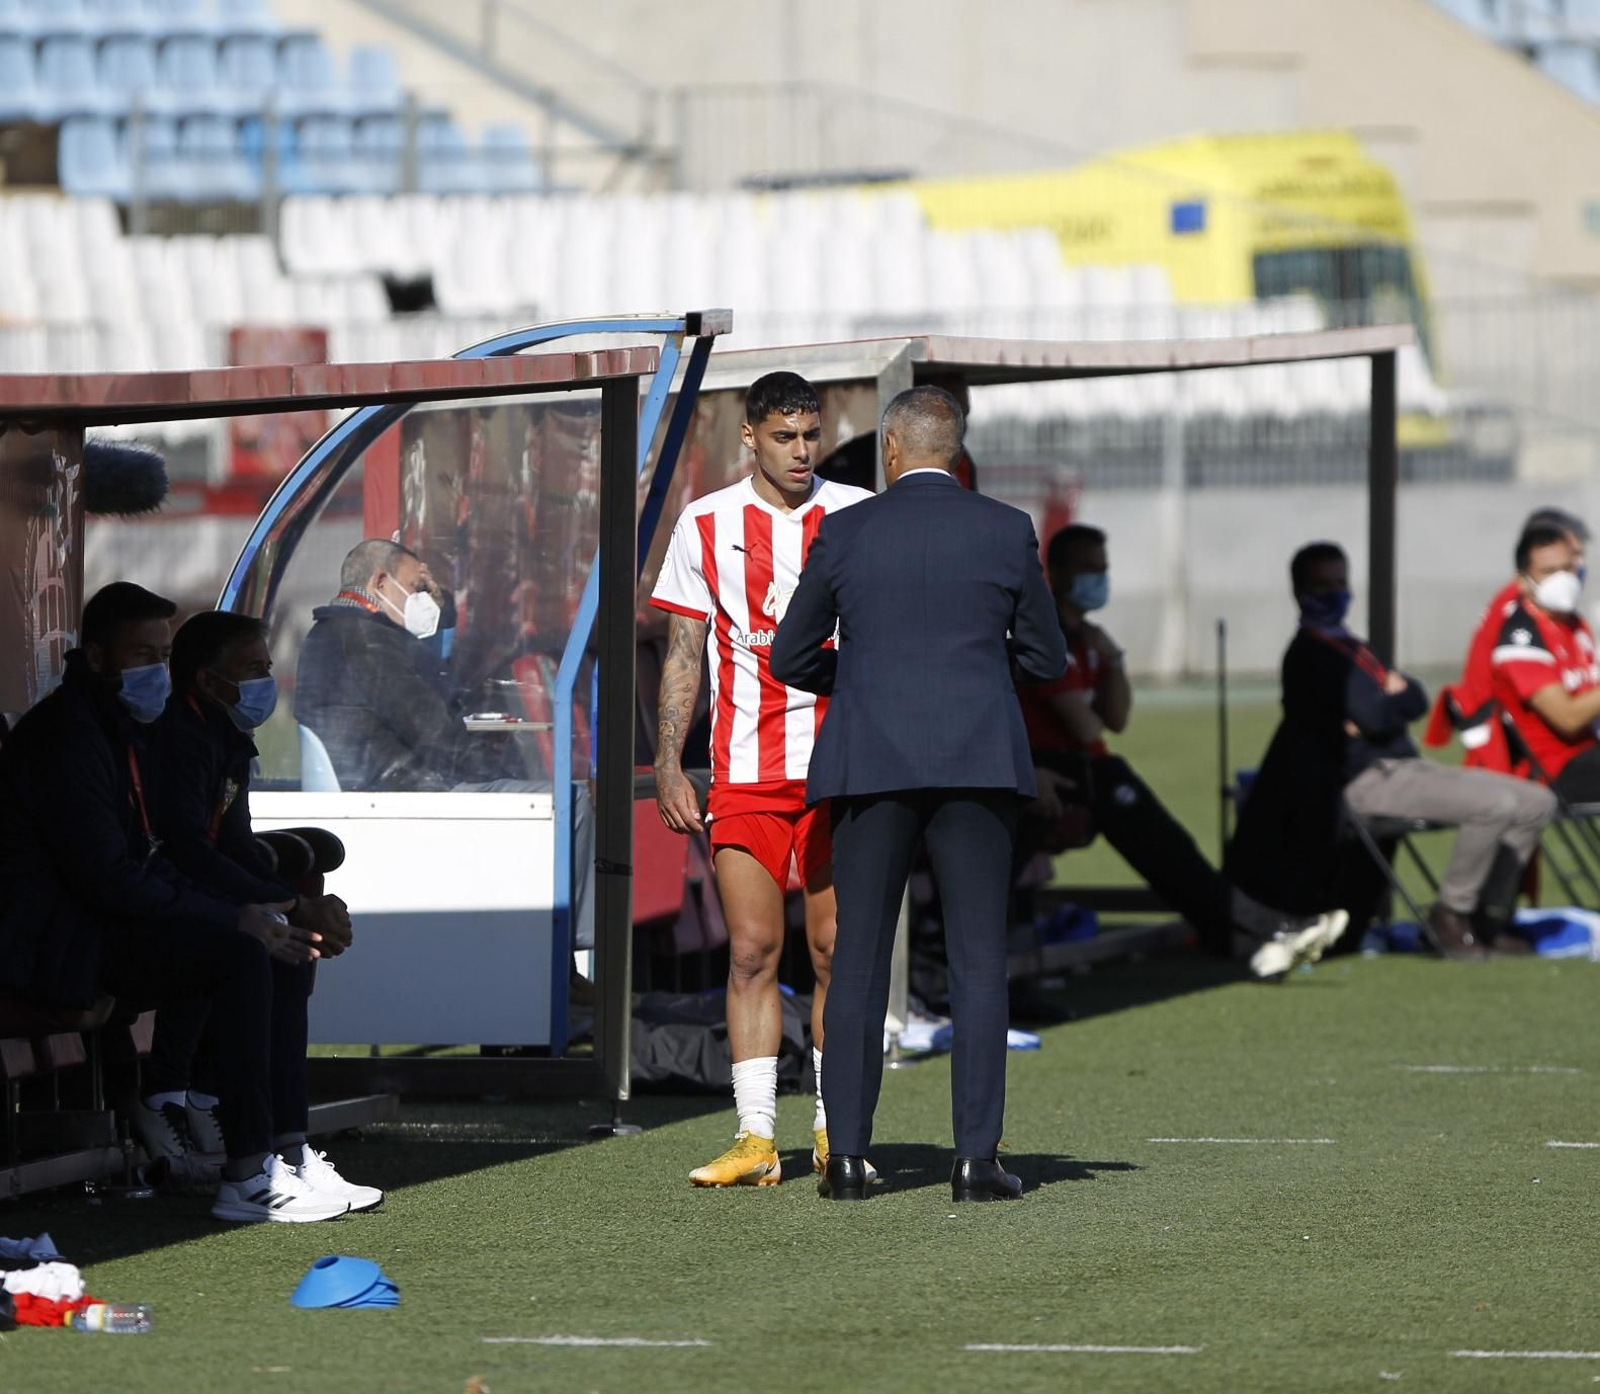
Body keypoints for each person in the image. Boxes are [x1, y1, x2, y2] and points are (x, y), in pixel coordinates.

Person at [771, 384, 1065, 1204]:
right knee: (977, 962)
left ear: (890, 452)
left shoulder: (847, 528)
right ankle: (975, 1161)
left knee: (859, 959)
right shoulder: (1006, 530)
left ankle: (849, 1161)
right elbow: (1046, 659)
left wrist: (861, 677)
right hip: (977, 758)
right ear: (955, 450)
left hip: (871, 761)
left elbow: (791, 655)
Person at [0, 583, 350, 1222]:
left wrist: (266, 910)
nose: (156, 672)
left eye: (162, 655)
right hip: (56, 947)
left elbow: (156, 859)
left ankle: (279, 1154)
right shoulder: (70, 737)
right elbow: (108, 877)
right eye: (142, 655)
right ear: (98, 656)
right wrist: (237, 914)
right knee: (242, 948)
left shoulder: (122, 728)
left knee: (264, 944)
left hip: (95, 930)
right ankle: (244, 1173)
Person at [651, 371, 874, 1188]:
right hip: (744, 772)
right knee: (751, 948)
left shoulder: (855, 516)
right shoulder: (706, 523)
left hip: (840, 769)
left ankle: (831, 1126)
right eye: (785, 437)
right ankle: (754, 1137)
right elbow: (683, 652)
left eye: (811, 436)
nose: (802, 451)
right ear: (750, 436)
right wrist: (670, 761)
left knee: (833, 949)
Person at [1020, 524, 1348, 978]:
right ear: (1054, 573)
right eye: (1087, 570)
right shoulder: (1044, 638)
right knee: (1161, 841)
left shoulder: (1089, 642)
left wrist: (1113, 661)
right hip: (1056, 775)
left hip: (1090, 771)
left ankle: (1242, 933)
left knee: (1167, 842)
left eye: (1103, 570)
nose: (1098, 579)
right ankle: (1267, 928)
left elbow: (1116, 720)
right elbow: (1086, 725)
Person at [139, 609, 380, 1212]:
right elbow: (189, 850)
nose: (264, 682)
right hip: (161, 907)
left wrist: (300, 906)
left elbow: (239, 842)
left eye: (267, 668)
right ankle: (247, 1172)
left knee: (291, 952)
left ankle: (291, 1152)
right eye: (251, 670)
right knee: (255, 949)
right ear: (204, 680)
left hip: (202, 896)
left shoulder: (225, 738)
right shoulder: (177, 738)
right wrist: (286, 905)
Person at [1271, 543, 1555, 958]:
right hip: (1363, 779)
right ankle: (1450, 917)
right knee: (1494, 804)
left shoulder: (1353, 645)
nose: (1334, 593)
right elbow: (1376, 715)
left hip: (1403, 766)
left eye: (1340, 583)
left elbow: (1415, 698)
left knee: (1536, 801)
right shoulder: (1309, 653)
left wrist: (1391, 701)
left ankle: (1487, 918)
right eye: (1322, 585)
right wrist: (1389, 700)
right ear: (1299, 592)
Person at [295, 539, 488, 791]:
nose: (422, 599)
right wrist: (491, 757)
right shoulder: (367, 641)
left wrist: (441, 611)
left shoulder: (334, 632)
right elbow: (433, 733)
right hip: (406, 792)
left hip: (383, 785)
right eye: (416, 588)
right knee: (538, 795)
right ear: (381, 583)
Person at [1429, 506, 1588, 769]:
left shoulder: (1562, 616)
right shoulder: (1518, 612)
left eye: (1576, 559)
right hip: (1505, 738)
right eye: (1574, 555)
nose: (1577, 567)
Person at [1487, 522, 1600, 799]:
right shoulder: (1520, 639)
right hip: (1553, 769)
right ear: (1523, 581)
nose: (1562, 579)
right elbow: (1569, 718)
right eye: (1549, 572)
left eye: (1567, 568)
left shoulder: (1573, 623)